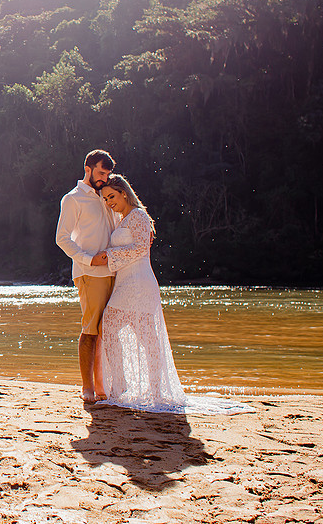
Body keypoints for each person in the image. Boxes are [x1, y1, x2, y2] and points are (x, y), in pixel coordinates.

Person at [92, 174, 250, 414]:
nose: (109, 202)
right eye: (105, 199)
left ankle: (155, 390)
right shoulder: (122, 219)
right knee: (111, 327)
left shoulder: (138, 216)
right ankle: (121, 386)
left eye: (111, 196)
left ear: (124, 193)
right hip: (125, 282)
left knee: (145, 337)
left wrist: (108, 256)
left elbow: (141, 248)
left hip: (139, 282)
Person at [55, 149, 116, 403]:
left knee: (107, 331)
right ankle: (87, 387)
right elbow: (62, 238)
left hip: (114, 271)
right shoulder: (73, 199)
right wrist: (88, 259)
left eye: (107, 174)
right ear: (87, 169)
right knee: (90, 330)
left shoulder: (107, 195)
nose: (104, 178)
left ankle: (104, 387)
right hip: (89, 273)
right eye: (101, 173)